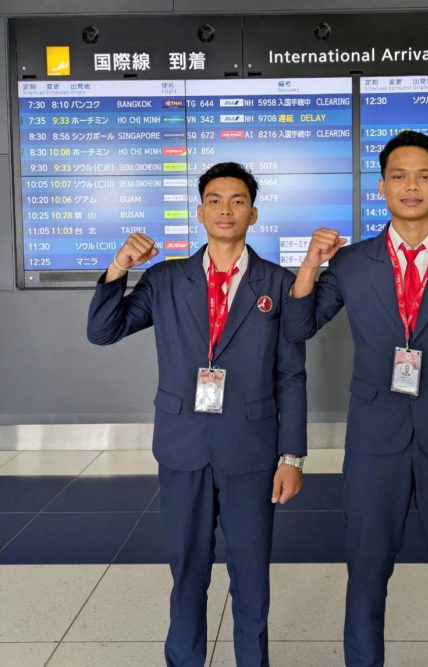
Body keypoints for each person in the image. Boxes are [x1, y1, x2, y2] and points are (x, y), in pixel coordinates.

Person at [285, 131, 428, 667]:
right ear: (381, 187)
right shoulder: (352, 261)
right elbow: (297, 326)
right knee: (366, 568)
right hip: (374, 437)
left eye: (424, 176)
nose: (411, 186)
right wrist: (311, 264)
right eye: (399, 176)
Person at [87, 162, 307, 667]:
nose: (225, 209)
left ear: (253, 214)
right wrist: (119, 267)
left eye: (237, 201)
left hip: (251, 450)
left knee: (251, 574)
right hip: (182, 446)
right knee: (187, 570)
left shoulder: (278, 283)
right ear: (200, 212)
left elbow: (291, 375)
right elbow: (102, 331)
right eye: (214, 200)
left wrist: (291, 455)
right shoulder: (165, 279)